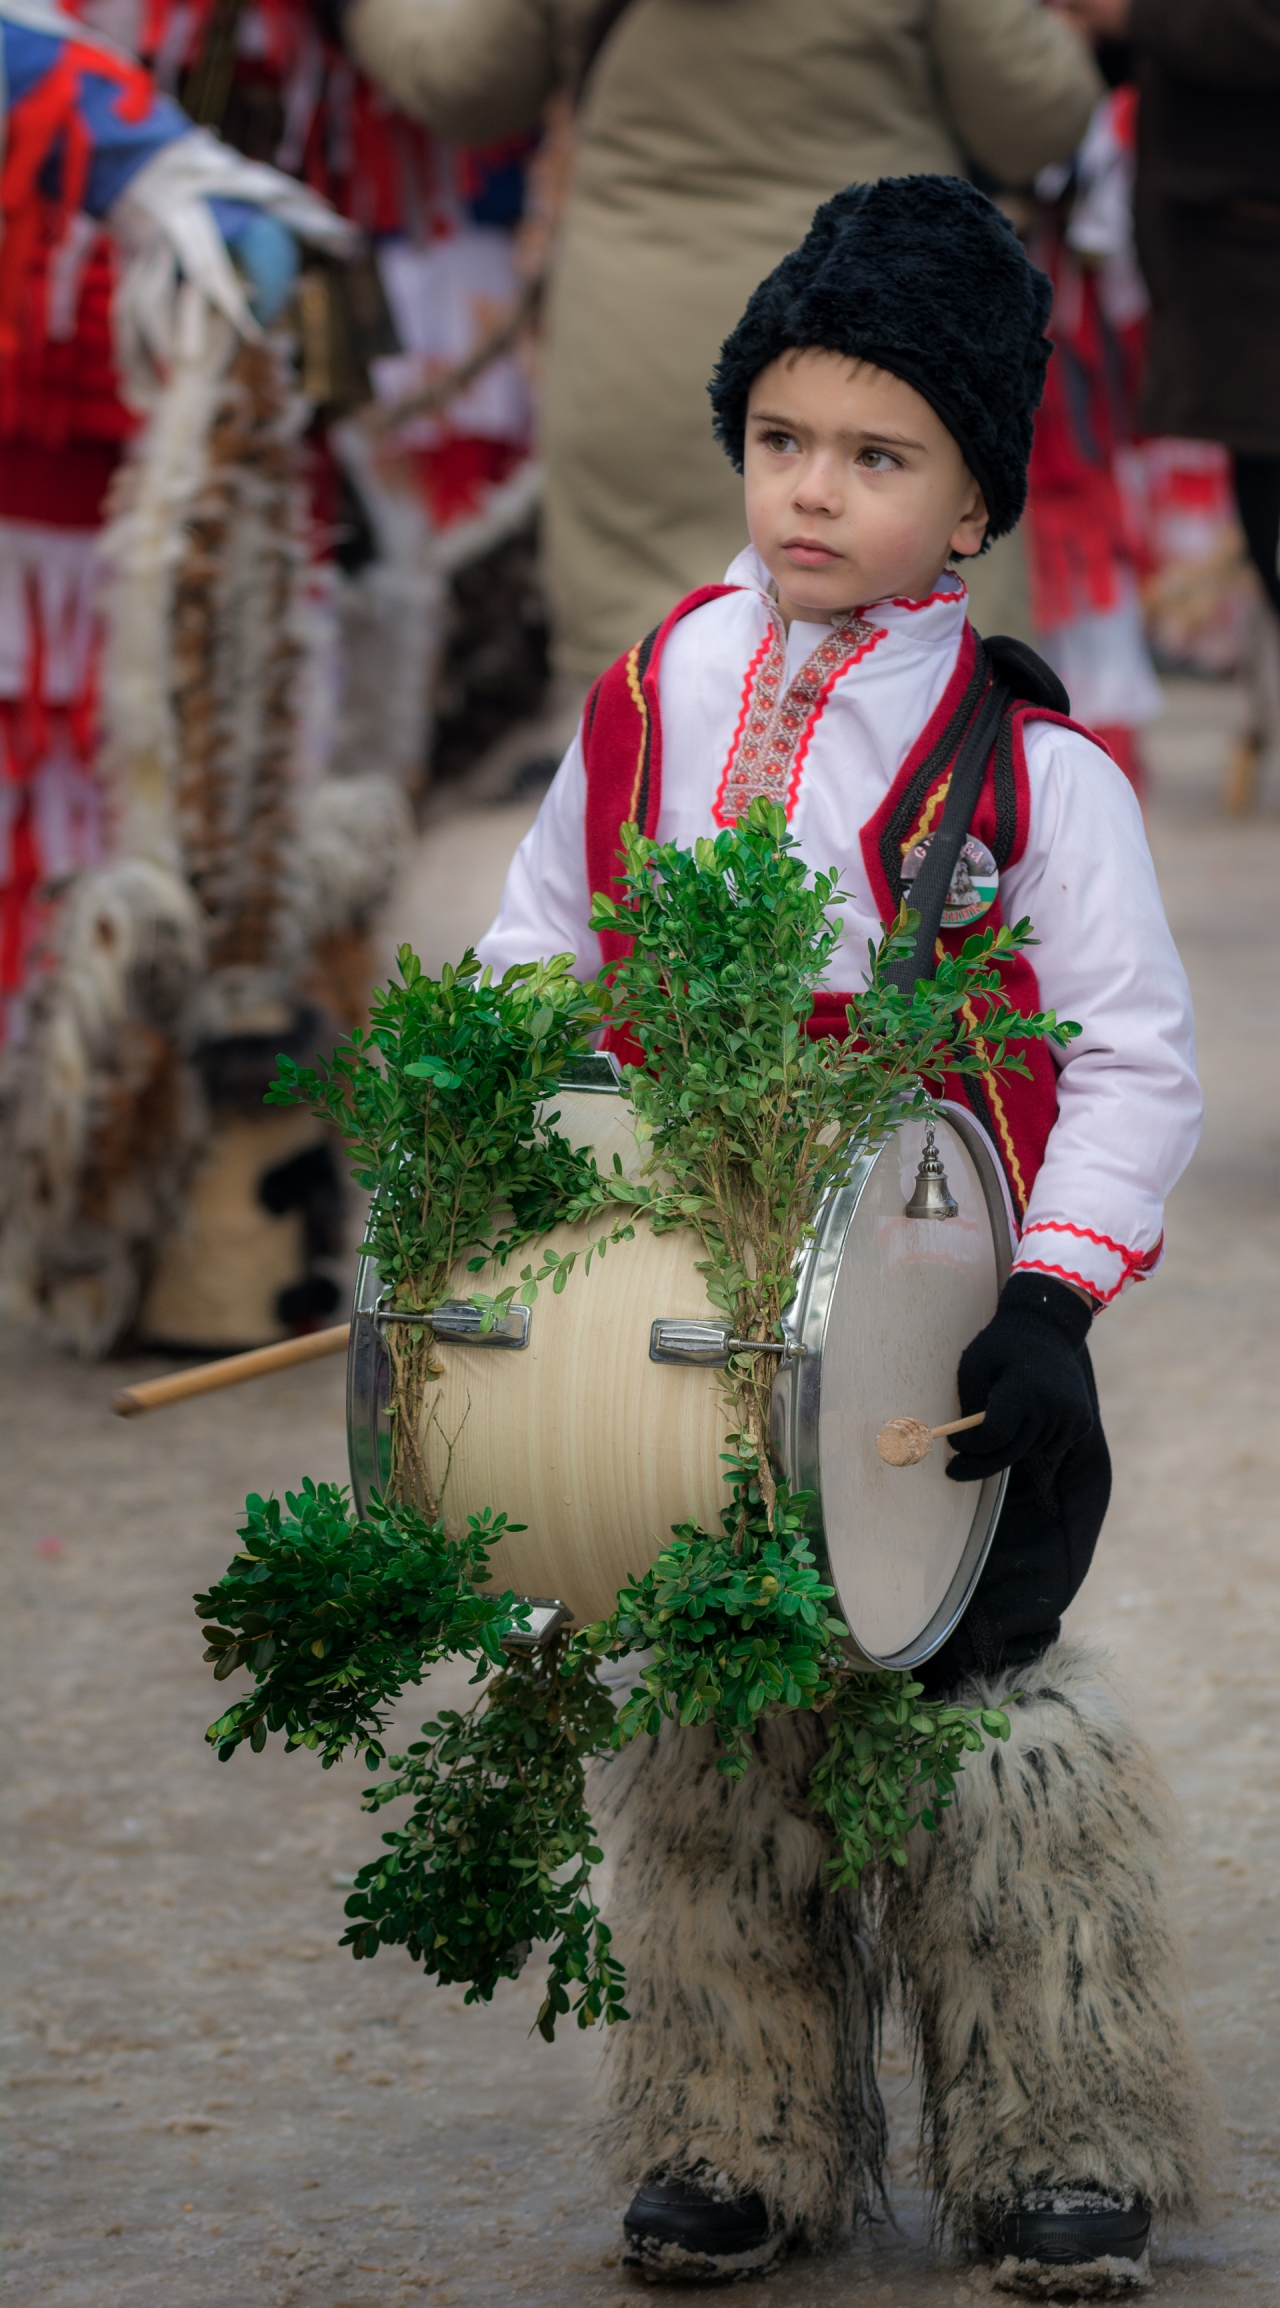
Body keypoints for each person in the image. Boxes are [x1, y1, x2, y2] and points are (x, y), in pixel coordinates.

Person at [474, 177, 1208, 2295]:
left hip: (939, 1319)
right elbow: (537, 944)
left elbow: (1139, 1057)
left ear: (972, 504)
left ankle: (1054, 2127)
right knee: (721, 1697)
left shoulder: (1040, 777)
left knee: (970, 1692)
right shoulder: (649, 693)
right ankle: (739, 2125)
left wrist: (1055, 1296)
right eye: (782, 437)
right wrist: (527, 1154)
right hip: (685, 1289)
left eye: (879, 456)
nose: (812, 491)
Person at [343, 0, 1103, 685]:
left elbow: (464, 83)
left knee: (649, 695)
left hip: (640, 336)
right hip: (890, 344)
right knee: (914, 690)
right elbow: (1032, 117)